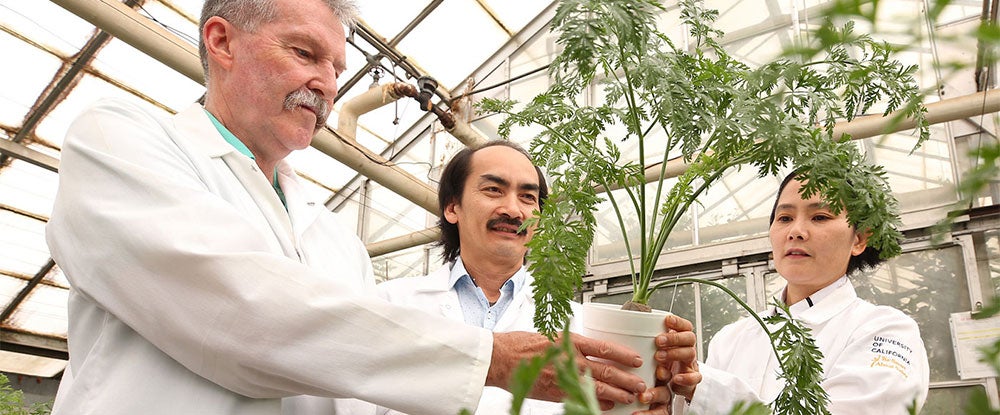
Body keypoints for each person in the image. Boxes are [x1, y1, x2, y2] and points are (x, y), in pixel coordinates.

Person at [44, 0, 695, 414]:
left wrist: (650, 393)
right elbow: (240, 313)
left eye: (336, 66)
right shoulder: (121, 142)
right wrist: (490, 359)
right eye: (305, 53)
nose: (326, 83)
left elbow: (355, 391)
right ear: (222, 41)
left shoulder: (334, 240)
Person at [285, 140, 696, 415]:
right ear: (452, 208)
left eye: (528, 197)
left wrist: (669, 384)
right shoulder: (388, 304)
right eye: (494, 190)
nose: (514, 210)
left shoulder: (584, 329)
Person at [668, 172, 930, 414]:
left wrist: (704, 389)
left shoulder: (885, 332)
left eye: (820, 217)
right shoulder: (731, 339)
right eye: (785, 218)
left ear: (859, 239)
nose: (796, 232)